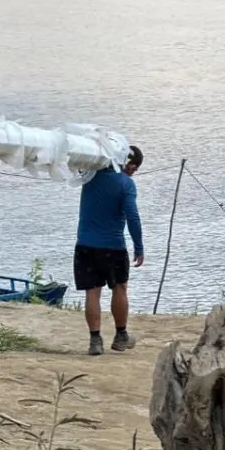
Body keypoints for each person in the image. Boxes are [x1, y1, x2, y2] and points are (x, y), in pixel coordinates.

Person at [73, 145, 144, 356]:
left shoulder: (91, 176)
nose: (133, 173)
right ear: (129, 164)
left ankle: (95, 341)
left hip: (85, 245)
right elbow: (132, 217)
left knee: (92, 292)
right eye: (134, 168)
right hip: (113, 246)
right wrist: (139, 247)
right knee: (119, 289)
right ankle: (121, 335)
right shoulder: (126, 184)